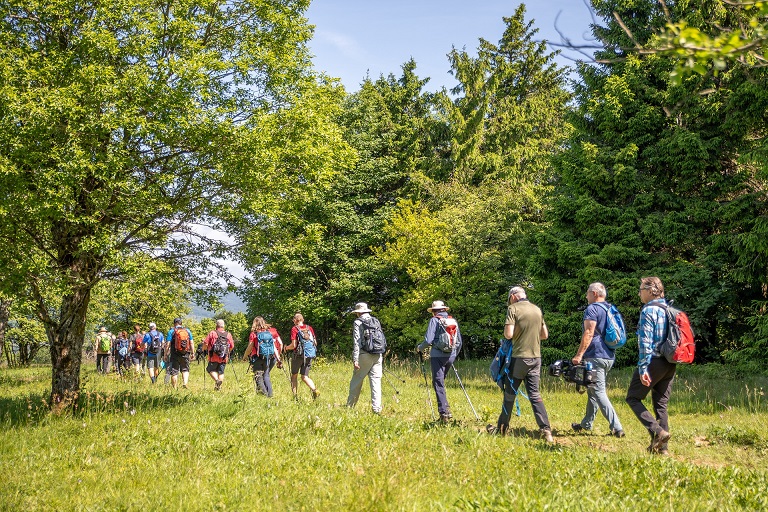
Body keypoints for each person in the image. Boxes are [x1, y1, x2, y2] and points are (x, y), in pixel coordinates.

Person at [496, 287, 554, 443]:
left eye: (509, 299)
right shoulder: (537, 309)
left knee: (510, 394)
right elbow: (544, 335)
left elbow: (508, 334)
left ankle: (502, 428)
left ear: (513, 297)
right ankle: (546, 430)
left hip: (519, 358)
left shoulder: (513, 309)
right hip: (536, 358)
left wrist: (517, 334)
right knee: (535, 395)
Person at [625, 276, 675, 455]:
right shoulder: (669, 308)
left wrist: (643, 367)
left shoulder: (649, 311)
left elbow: (645, 342)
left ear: (649, 290)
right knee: (661, 404)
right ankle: (663, 450)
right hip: (670, 362)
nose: (639, 294)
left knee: (633, 398)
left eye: (640, 290)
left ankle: (658, 432)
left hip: (653, 361)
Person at [570, 282, 625, 437]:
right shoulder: (609, 308)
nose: (586, 295)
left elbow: (589, 332)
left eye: (587, 292)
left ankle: (617, 428)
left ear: (594, 293)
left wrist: (579, 355)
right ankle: (586, 424)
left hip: (595, 355)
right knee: (592, 389)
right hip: (609, 355)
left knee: (598, 391)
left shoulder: (592, 309)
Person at [417, 301, 462, 423]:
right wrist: (453, 355)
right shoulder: (453, 321)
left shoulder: (434, 320)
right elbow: (459, 342)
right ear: (444, 309)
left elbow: (428, 340)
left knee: (438, 383)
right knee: (440, 382)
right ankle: (445, 408)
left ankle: (444, 414)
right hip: (451, 356)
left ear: (434, 311)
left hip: (437, 356)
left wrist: (419, 348)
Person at [346, 302, 383, 414]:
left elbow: (356, 341)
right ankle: (376, 409)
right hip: (378, 354)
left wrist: (355, 359)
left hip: (364, 354)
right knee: (376, 382)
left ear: (358, 313)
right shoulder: (375, 320)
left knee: (356, 381)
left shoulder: (358, 322)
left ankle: (350, 407)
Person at [243, 316, 283, 397]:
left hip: (257, 358)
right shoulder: (270, 332)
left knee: (258, 376)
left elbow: (250, 347)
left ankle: (263, 396)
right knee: (266, 375)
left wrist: (245, 356)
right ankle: (270, 395)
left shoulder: (254, 334)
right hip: (269, 357)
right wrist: (278, 358)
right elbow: (276, 345)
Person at [285, 313, 319, 400]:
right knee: (304, 376)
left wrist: (286, 348)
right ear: (302, 320)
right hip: (309, 354)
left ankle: (295, 396)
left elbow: (294, 345)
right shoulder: (309, 328)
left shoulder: (295, 329)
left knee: (294, 376)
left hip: (299, 355)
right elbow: (315, 342)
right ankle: (314, 390)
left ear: (294, 320)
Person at [204, 319, 234, 391]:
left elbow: (206, 343)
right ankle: (218, 387)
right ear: (224, 326)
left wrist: (204, 349)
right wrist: (227, 352)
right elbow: (232, 346)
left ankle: (217, 380)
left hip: (213, 356)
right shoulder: (228, 334)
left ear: (216, 325)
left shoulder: (212, 333)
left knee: (210, 369)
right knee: (221, 372)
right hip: (224, 357)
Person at [167, 318, 194, 389]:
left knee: (174, 371)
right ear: (181, 323)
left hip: (174, 353)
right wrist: (193, 353)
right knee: (185, 369)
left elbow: (168, 344)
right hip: (185, 353)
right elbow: (191, 342)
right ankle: (185, 383)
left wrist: (166, 354)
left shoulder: (171, 331)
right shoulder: (187, 331)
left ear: (174, 323)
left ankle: (174, 388)